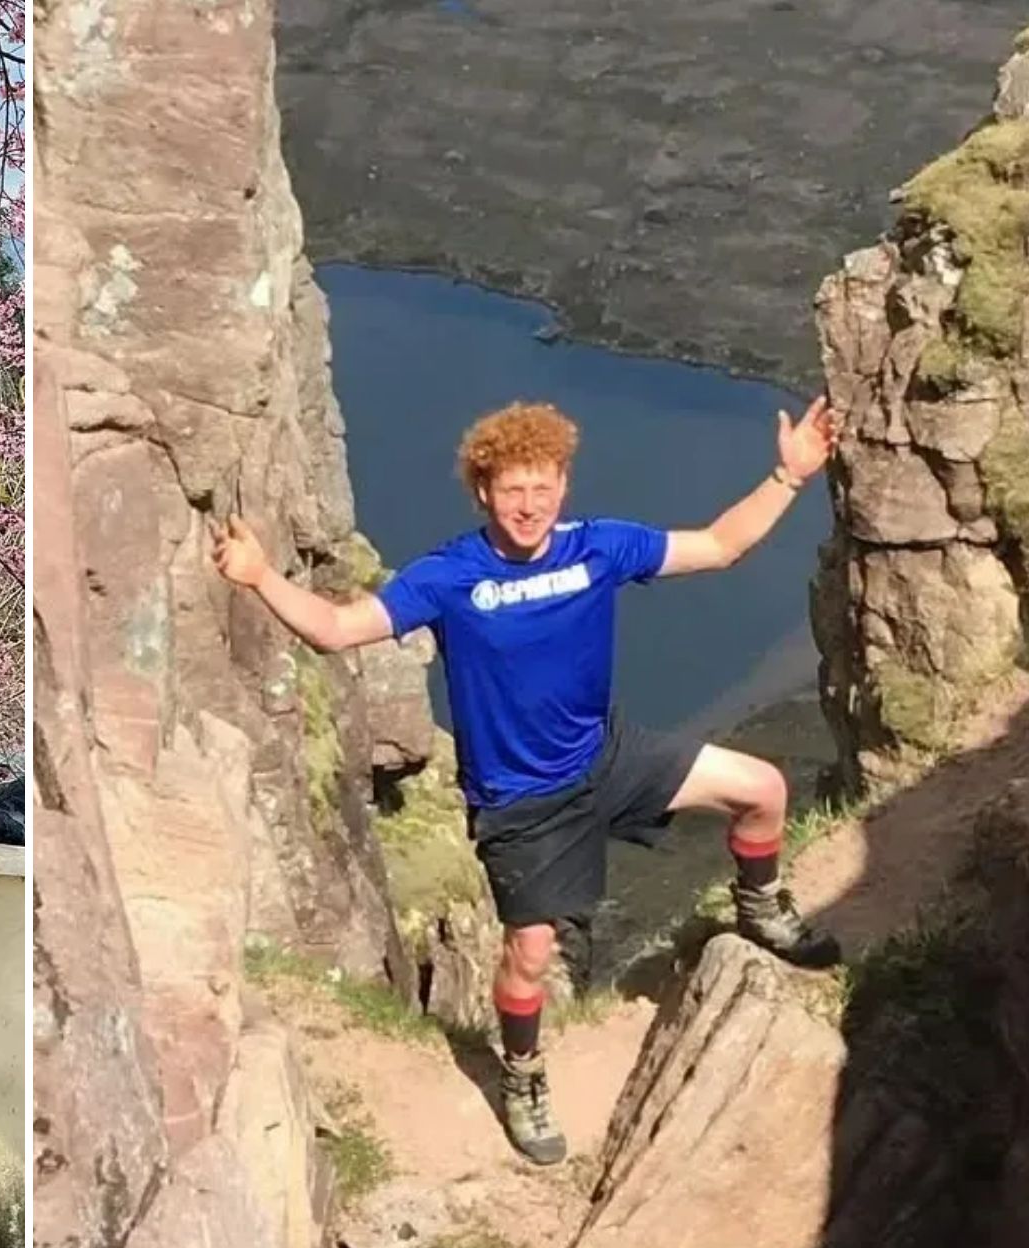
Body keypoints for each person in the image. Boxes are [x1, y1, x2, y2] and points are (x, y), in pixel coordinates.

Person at [212, 398, 841, 1166]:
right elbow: (337, 628)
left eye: (543, 486)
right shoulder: (449, 576)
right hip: (522, 801)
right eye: (512, 488)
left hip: (606, 756)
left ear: (564, 484)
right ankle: (523, 1071)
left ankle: (760, 908)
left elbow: (719, 546)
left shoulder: (596, 547)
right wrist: (258, 577)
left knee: (763, 790)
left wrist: (789, 473)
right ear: (482, 491)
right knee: (531, 953)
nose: (529, 505)